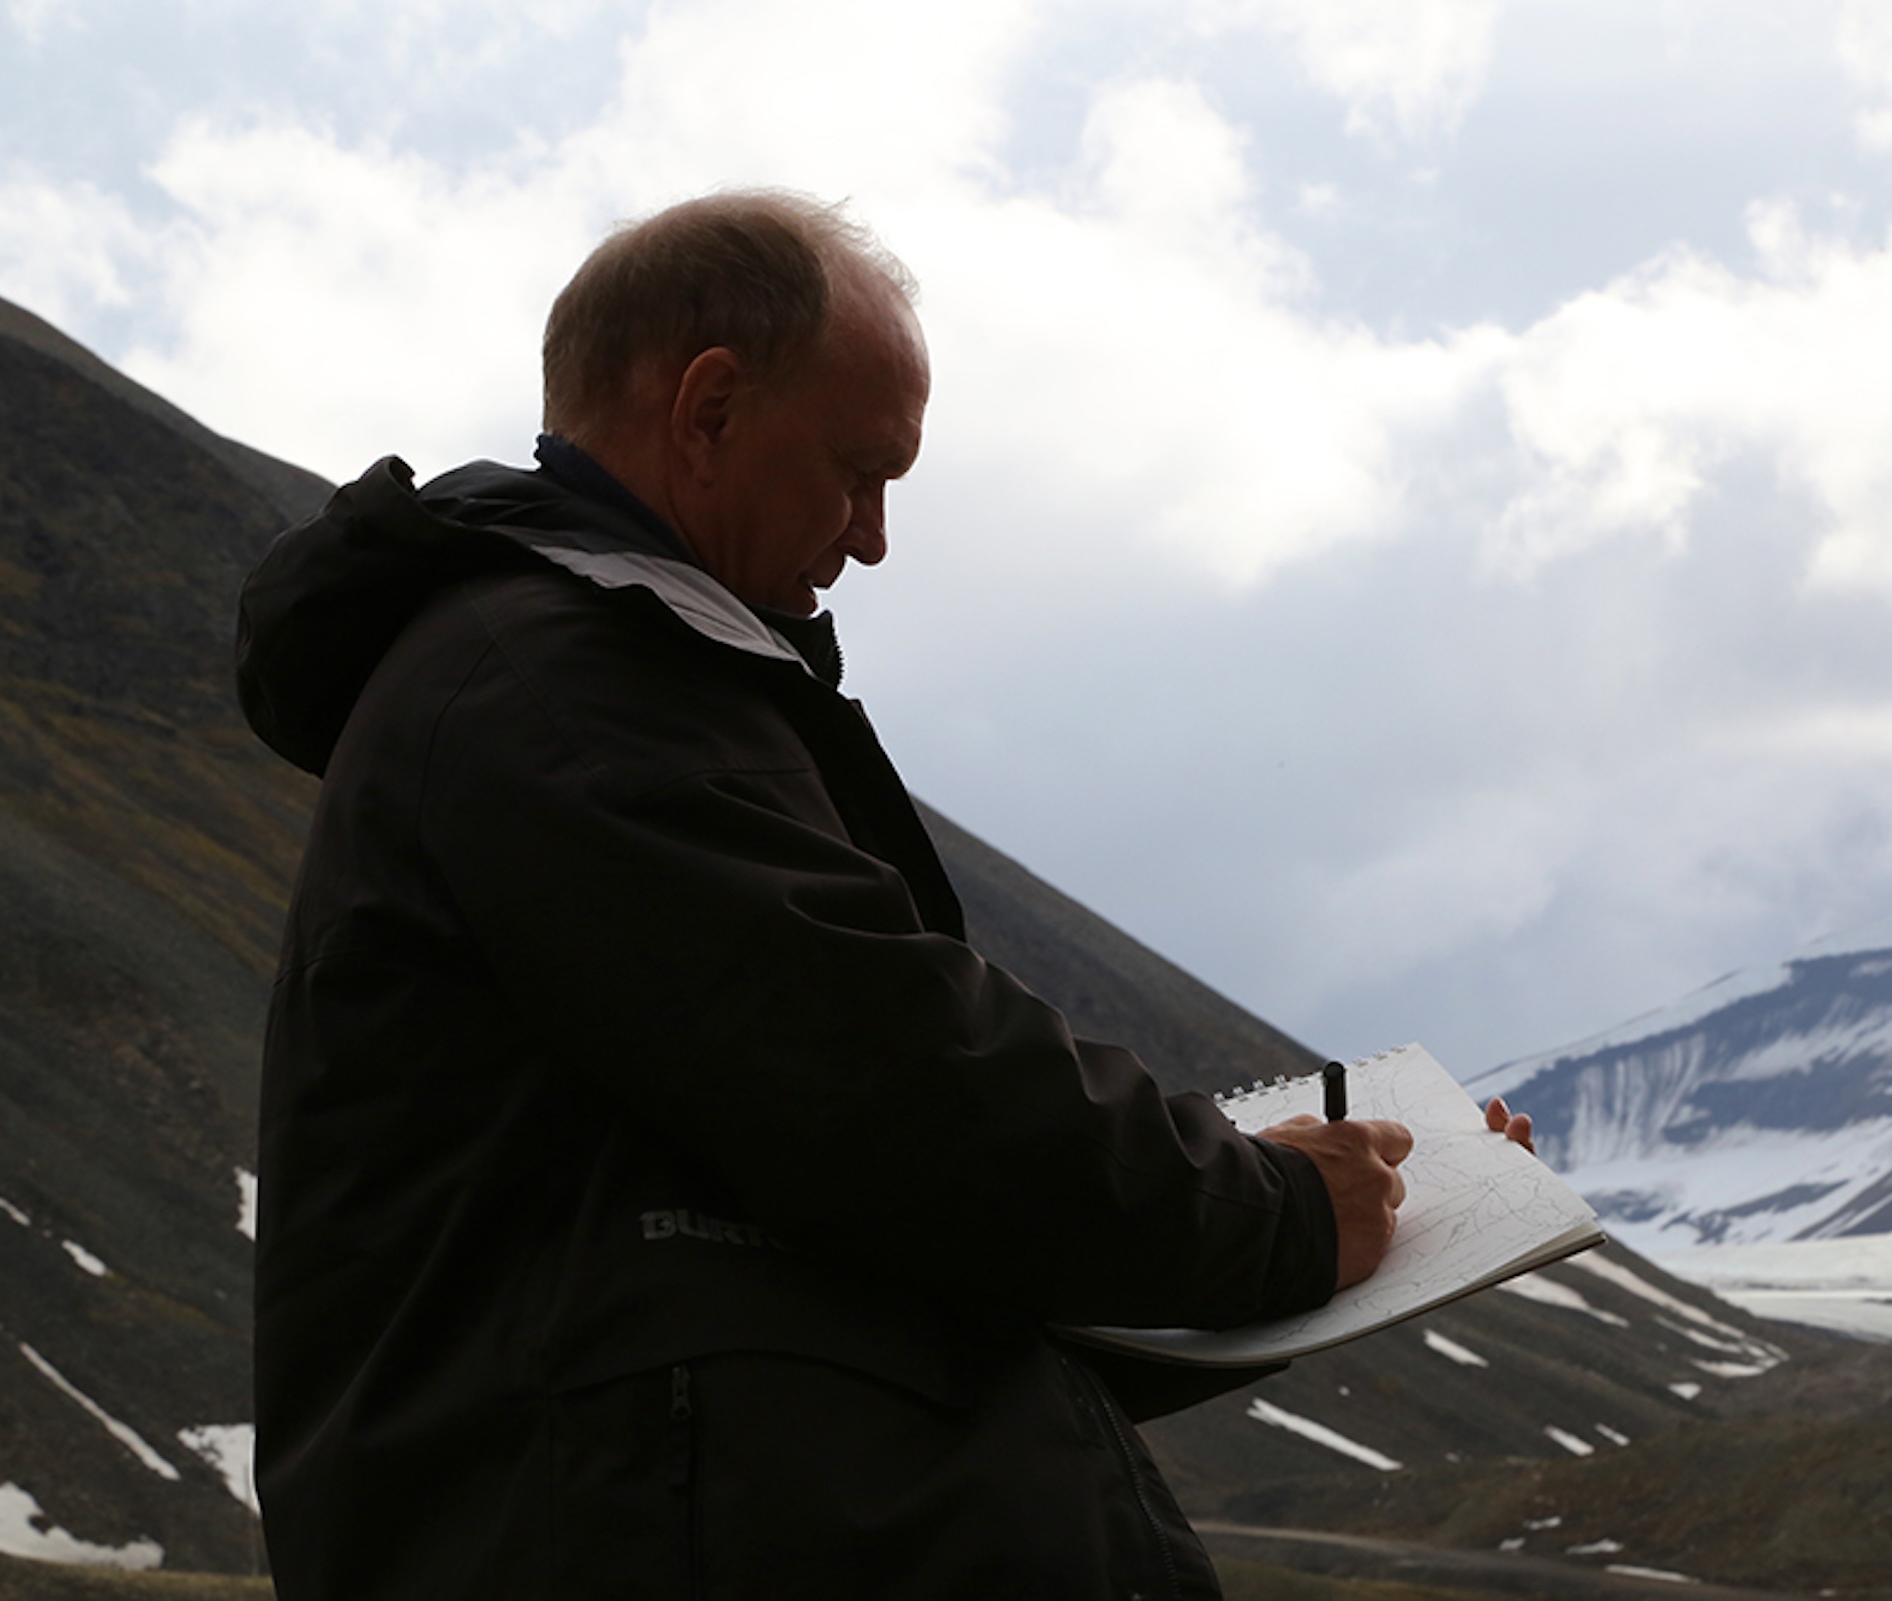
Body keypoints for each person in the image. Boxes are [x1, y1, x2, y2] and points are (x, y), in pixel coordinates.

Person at [237, 188, 1530, 1600]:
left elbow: (815, 1232)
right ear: (709, 410)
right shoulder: (560, 691)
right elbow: (893, 1080)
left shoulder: (582, 678)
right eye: (861, 472)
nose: (873, 539)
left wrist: (1316, 1210)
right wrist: (1275, 1216)